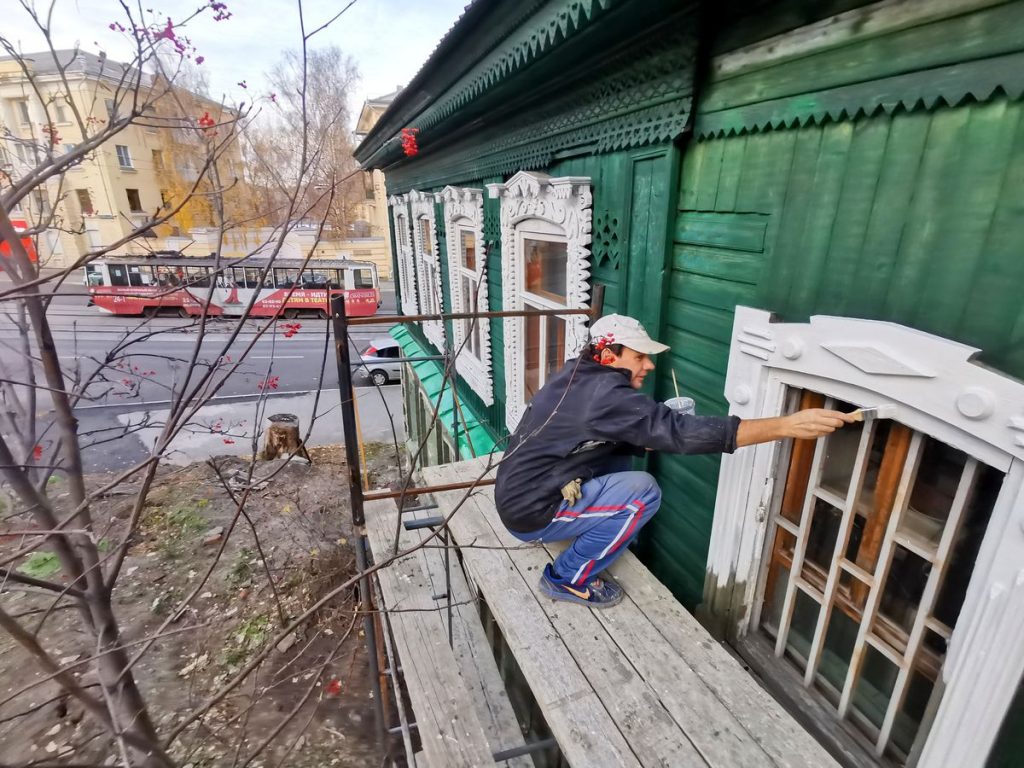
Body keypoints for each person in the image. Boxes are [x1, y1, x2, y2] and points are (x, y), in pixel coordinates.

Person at [494, 314, 856, 608]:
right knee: (643, 492)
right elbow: (677, 434)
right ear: (608, 356)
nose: (649, 365)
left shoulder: (578, 375)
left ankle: (597, 530)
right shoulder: (603, 394)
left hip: (519, 493)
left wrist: (657, 427)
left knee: (625, 467)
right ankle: (567, 578)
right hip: (531, 512)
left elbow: (623, 431)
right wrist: (785, 425)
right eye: (639, 356)